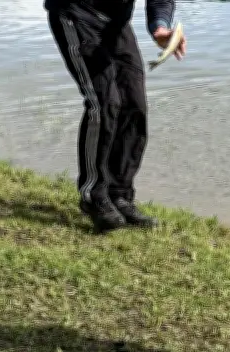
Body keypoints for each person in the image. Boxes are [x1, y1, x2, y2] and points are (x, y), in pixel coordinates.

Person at [44, 0, 186, 232]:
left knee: (134, 105)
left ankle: (119, 195)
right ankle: (94, 195)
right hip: (77, 13)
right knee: (103, 103)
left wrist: (160, 27)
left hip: (116, 23)